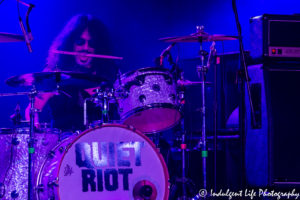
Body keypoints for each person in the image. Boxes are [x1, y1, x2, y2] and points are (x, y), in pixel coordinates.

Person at [25, 14, 118, 132]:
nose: (85, 47)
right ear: (70, 44)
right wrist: (34, 123)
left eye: (92, 44)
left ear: (99, 47)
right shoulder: (54, 74)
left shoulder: (107, 74)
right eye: (80, 42)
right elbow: (33, 108)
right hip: (63, 145)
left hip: (100, 142)